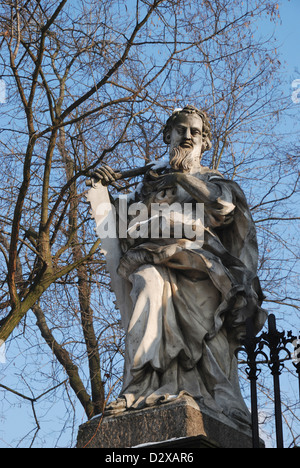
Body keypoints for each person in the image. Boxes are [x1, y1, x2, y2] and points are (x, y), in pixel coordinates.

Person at [91, 105, 266, 426]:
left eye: (195, 132)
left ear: (205, 142)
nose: (187, 136)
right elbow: (120, 224)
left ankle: (206, 391)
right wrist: (104, 189)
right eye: (181, 130)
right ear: (167, 136)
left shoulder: (209, 178)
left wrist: (180, 177)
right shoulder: (148, 185)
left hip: (201, 270)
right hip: (152, 259)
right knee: (145, 282)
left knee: (206, 332)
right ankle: (141, 385)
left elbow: (223, 206)